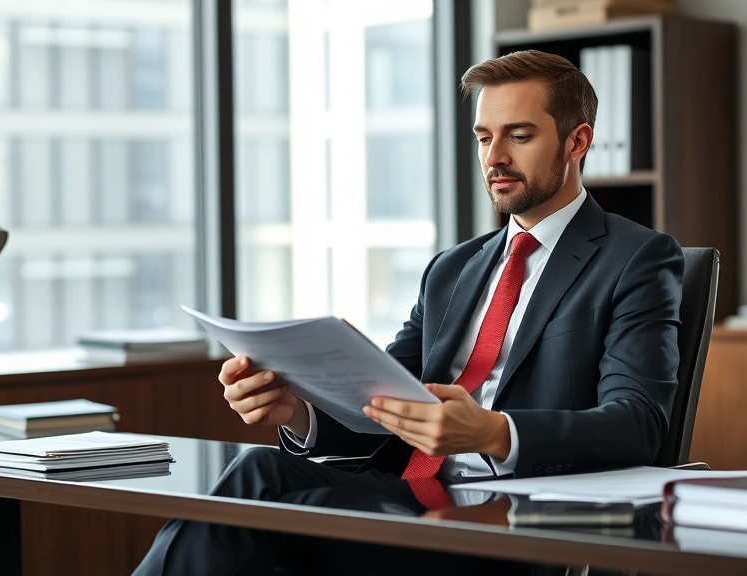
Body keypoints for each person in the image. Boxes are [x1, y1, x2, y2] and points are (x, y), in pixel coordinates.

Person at [134, 49, 683, 576]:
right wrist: (296, 411)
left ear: (577, 141)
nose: (494, 158)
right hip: (416, 495)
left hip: (516, 519)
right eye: (484, 138)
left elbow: (637, 424)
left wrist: (491, 432)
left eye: (519, 136)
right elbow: (379, 404)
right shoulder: (453, 269)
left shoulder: (635, 258)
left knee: (252, 538)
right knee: (257, 477)